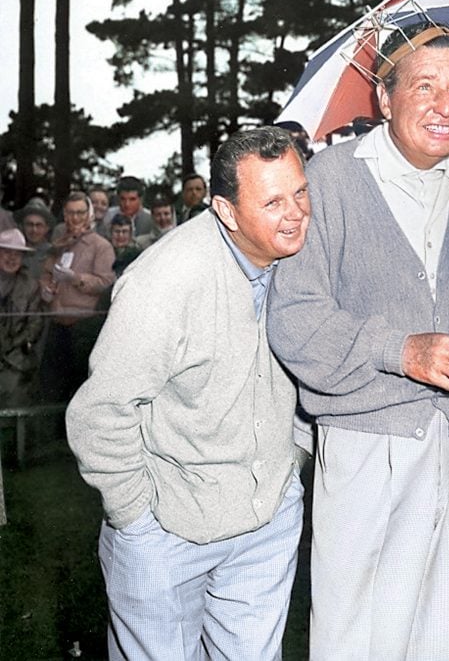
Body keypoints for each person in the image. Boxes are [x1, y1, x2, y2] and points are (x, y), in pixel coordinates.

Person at [266, 21, 449, 660]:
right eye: (425, 87)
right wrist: (401, 351)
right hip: (368, 449)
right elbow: (294, 318)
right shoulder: (326, 181)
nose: (448, 106)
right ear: (384, 98)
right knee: (358, 637)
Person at [66, 127, 310, 660]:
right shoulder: (165, 281)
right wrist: (137, 520)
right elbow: (98, 415)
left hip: (266, 522)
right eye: (272, 202)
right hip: (167, 531)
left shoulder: (298, 259)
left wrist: (290, 461)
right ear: (225, 210)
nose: (295, 213)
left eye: (300, 192)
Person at [38, 193, 116, 402]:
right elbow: (45, 273)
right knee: (52, 388)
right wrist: (45, 288)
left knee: (79, 389)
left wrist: (77, 279)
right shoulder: (59, 243)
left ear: (89, 215)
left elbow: (106, 283)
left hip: (83, 327)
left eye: (80, 213)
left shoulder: (101, 246)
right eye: (70, 213)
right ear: (64, 215)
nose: (75, 218)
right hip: (56, 324)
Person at [0, 228, 45, 405]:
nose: (12, 258)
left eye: (17, 254)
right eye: (6, 252)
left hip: (15, 359)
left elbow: (35, 323)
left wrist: (14, 343)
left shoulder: (30, 285)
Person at [15, 198, 56, 279]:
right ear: (22, 226)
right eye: (29, 224)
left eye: (39, 225)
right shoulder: (14, 252)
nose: (34, 230)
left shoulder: (53, 253)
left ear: (47, 228)